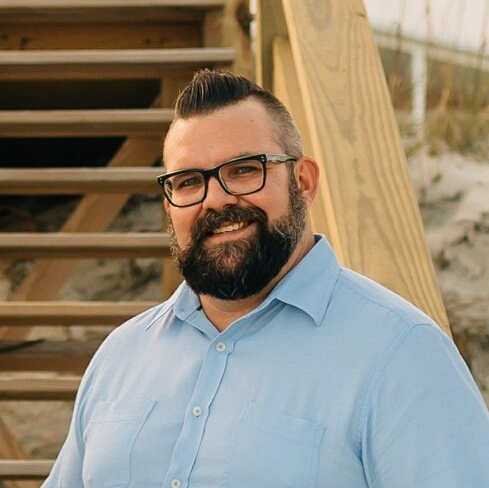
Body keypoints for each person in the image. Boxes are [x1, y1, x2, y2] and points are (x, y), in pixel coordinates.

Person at [42, 69, 489, 488]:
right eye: (188, 181)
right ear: (169, 203)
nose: (214, 200)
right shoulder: (121, 356)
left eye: (243, 170)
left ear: (304, 181)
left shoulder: (402, 355)